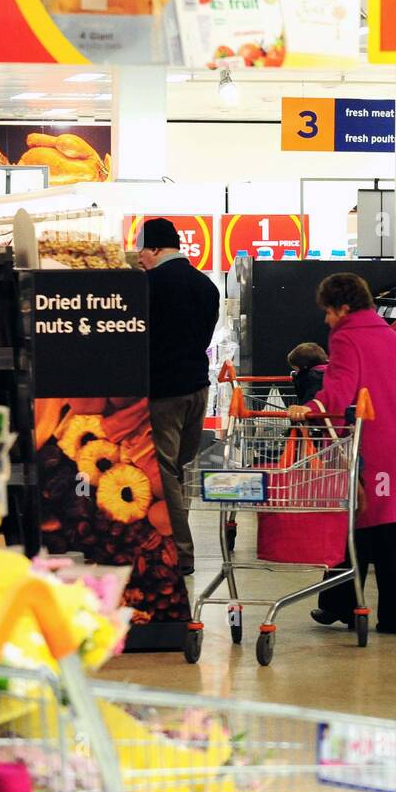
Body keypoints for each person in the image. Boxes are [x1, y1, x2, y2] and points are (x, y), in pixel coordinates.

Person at [287, 273, 396, 634]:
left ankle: (342, 604)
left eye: (329, 311)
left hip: (373, 442)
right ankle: (395, 613)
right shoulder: (389, 335)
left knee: (356, 523)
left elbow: (339, 388)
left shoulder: (347, 336)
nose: (326, 319)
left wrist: (310, 407)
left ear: (344, 307)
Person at [138, 218, 221, 577]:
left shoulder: (148, 285)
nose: (139, 259)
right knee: (182, 470)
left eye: (141, 251)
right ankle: (174, 541)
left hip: (162, 392)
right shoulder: (207, 285)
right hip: (197, 389)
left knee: (164, 472)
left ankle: (180, 551)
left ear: (155, 248)